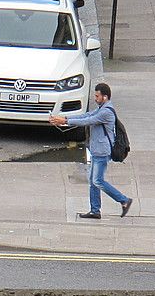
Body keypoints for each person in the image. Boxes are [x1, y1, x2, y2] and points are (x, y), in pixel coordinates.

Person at [50, 82, 134, 219]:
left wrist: (64, 121)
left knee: (97, 181)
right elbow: (85, 115)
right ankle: (95, 210)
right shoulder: (102, 108)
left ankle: (124, 200)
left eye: (97, 96)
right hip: (97, 150)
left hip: (102, 151)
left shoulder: (106, 112)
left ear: (105, 97)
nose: (95, 98)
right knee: (93, 180)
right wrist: (65, 119)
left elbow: (88, 120)